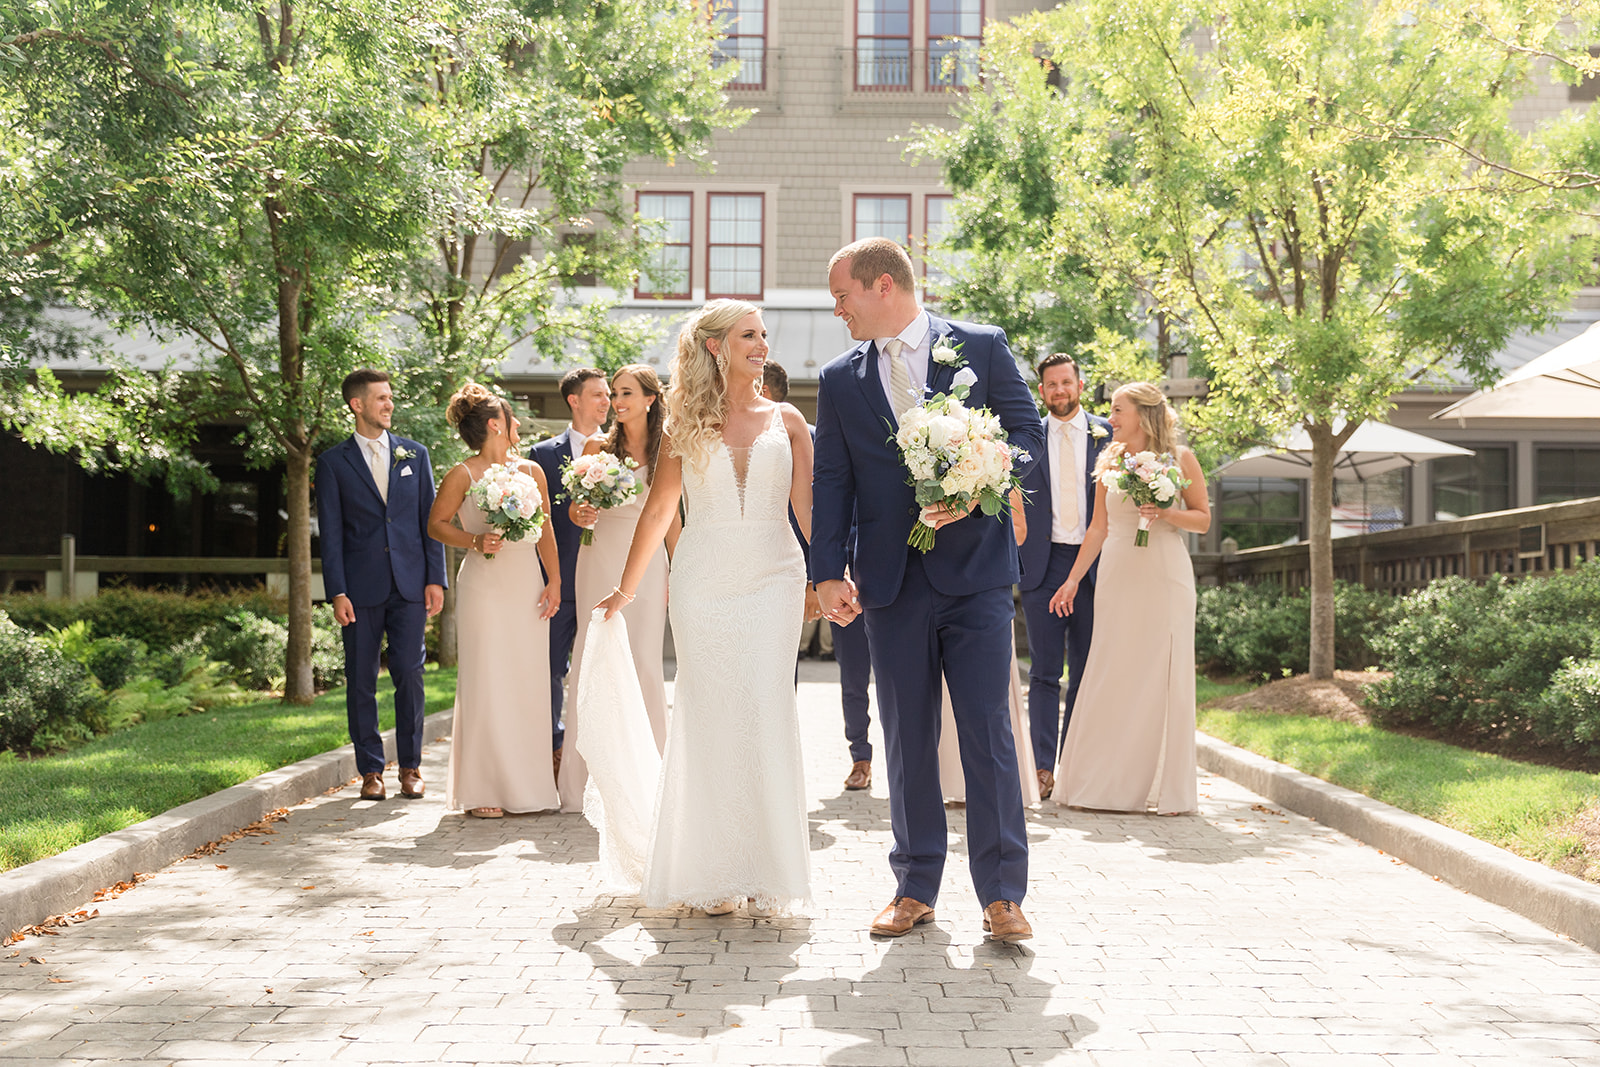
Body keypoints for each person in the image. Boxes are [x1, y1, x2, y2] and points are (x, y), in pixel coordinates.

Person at [811, 237, 1045, 943]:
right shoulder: (839, 378)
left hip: (975, 576)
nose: (837, 312)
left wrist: (980, 486)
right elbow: (832, 480)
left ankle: (1002, 894)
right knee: (907, 737)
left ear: (884, 286)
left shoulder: (982, 344)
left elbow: (1026, 435)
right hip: (890, 581)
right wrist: (827, 570)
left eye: (842, 297)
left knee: (988, 731)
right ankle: (914, 886)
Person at [596, 299, 814, 916]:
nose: (762, 344)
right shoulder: (683, 424)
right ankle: (712, 871)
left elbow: (807, 512)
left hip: (773, 579)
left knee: (766, 710)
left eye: (765, 334)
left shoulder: (790, 420)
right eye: (749, 334)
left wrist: (828, 578)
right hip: (703, 582)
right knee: (710, 713)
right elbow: (660, 510)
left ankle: (768, 870)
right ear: (717, 346)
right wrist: (627, 588)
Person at [1050, 382, 1210, 815]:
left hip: (1165, 574)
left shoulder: (1181, 459)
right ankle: (1102, 785)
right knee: (1112, 670)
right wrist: (1071, 580)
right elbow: (1098, 528)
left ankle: (1159, 789)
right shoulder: (1109, 461)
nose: (1111, 417)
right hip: (1118, 574)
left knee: (1160, 674)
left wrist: (1165, 512)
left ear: (1144, 413)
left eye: (1118, 410)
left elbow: (1202, 520)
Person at [427, 384, 563, 817]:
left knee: (526, 680)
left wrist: (556, 579)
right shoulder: (462, 475)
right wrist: (474, 540)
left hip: (526, 583)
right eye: (512, 417)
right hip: (484, 586)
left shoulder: (532, 472)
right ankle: (483, 791)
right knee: (487, 680)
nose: (518, 424)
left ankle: (526, 787)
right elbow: (435, 524)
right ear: (494, 424)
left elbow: (547, 532)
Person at [315, 368, 446, 802]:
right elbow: (330, 533)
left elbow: (430, 522)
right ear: (357, 405)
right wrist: (337, 591)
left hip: (410, 586)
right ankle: (371, 770)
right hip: (360, 588)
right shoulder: (333, 463)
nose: (389, 404)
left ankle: (411, 767)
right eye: (381, 398)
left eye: (390, 398)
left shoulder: (416, 454)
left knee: (410, 675)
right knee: (361, 680)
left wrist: (435, 579)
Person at [559, 364, 677, 812]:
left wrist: (678, 570)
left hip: (648, 566)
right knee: (593, 660)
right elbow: (574, 511)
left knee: (644, 661)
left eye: (625, 392)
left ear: (650, 398)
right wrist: (581, 514)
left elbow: (671, 515)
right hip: (598, 557)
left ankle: (655, 778)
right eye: (613, 393)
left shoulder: (670, 447)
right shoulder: (596, 447)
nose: (615, 401)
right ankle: (586, 782)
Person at [762, 362, 871, 789]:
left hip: (828, 570)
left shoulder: (809, 437)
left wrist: (820, 577)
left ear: (767, 391)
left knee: (853, 669)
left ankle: (860, 756)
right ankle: (778, 764)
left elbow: (829, 509)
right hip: (766, 573)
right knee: (775, 671)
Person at [1017, 354, 1112, 800]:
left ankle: (1073, 761)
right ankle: (1041, 767)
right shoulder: (1028, 436)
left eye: (1066, 383)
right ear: (1042, 391)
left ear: (1079, 385)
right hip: (1043, 564)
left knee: (1088, 671)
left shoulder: (1108, 436)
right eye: (1051, 385)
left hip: (1097, 565)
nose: (1059, 391)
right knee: (1044, 673)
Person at [531, 367, 611, 781]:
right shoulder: (542, 455)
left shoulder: (620, 451)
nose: (606, 402)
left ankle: (597, 755)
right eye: (597, 394)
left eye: (608, 395)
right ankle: (556, 746)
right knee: (550, 669)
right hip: (560, 579)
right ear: (573, 400)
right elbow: (537, 523)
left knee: (601, 669)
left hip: (605, 579)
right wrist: (548, 577)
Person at [937, 490, 1039, 808]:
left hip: (985, 591)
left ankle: (991, 785)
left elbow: (1019, 530)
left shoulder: (996, 471)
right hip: (937, 590)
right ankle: (945, 781)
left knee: (988, 703)